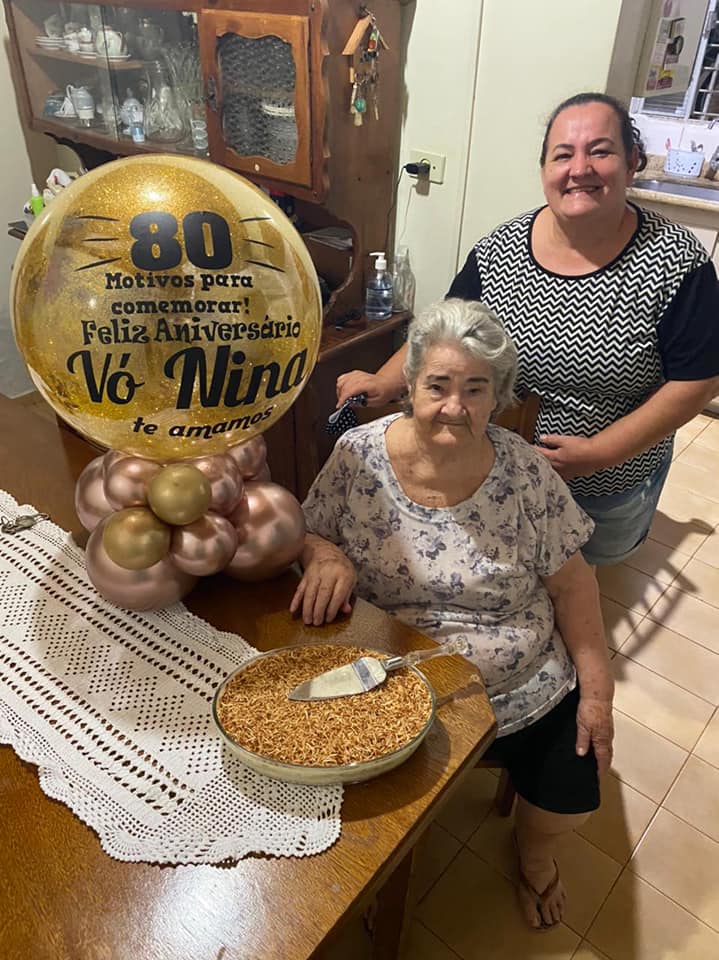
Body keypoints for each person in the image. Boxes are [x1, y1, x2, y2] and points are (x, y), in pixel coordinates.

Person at [291, 299, 614, 930]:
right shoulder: (358, 455)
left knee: (573, 796)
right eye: (438, 385)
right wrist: (324, 553)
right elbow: (305, 530)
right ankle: (365, 875)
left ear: (497, 397)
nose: (454, 406)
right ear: (410, 384)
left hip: (521, 688)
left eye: (475, 389)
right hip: (386, 682)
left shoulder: (526, 472)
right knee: (334, 791)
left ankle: (535, 851)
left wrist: (598, 694)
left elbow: (576, 587)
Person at [336, 92, 719, 566]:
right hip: (501, 466)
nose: (580, 169)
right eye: (563, 155)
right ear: (544, 171)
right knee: (514, 570)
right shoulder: (500, 250)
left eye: (600, 151)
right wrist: (384, 381)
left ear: (632, 162)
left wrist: (598, 453)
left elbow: (698, 381)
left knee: (583, 577)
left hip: (605, 482)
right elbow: (442, 334)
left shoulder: (676, 261)